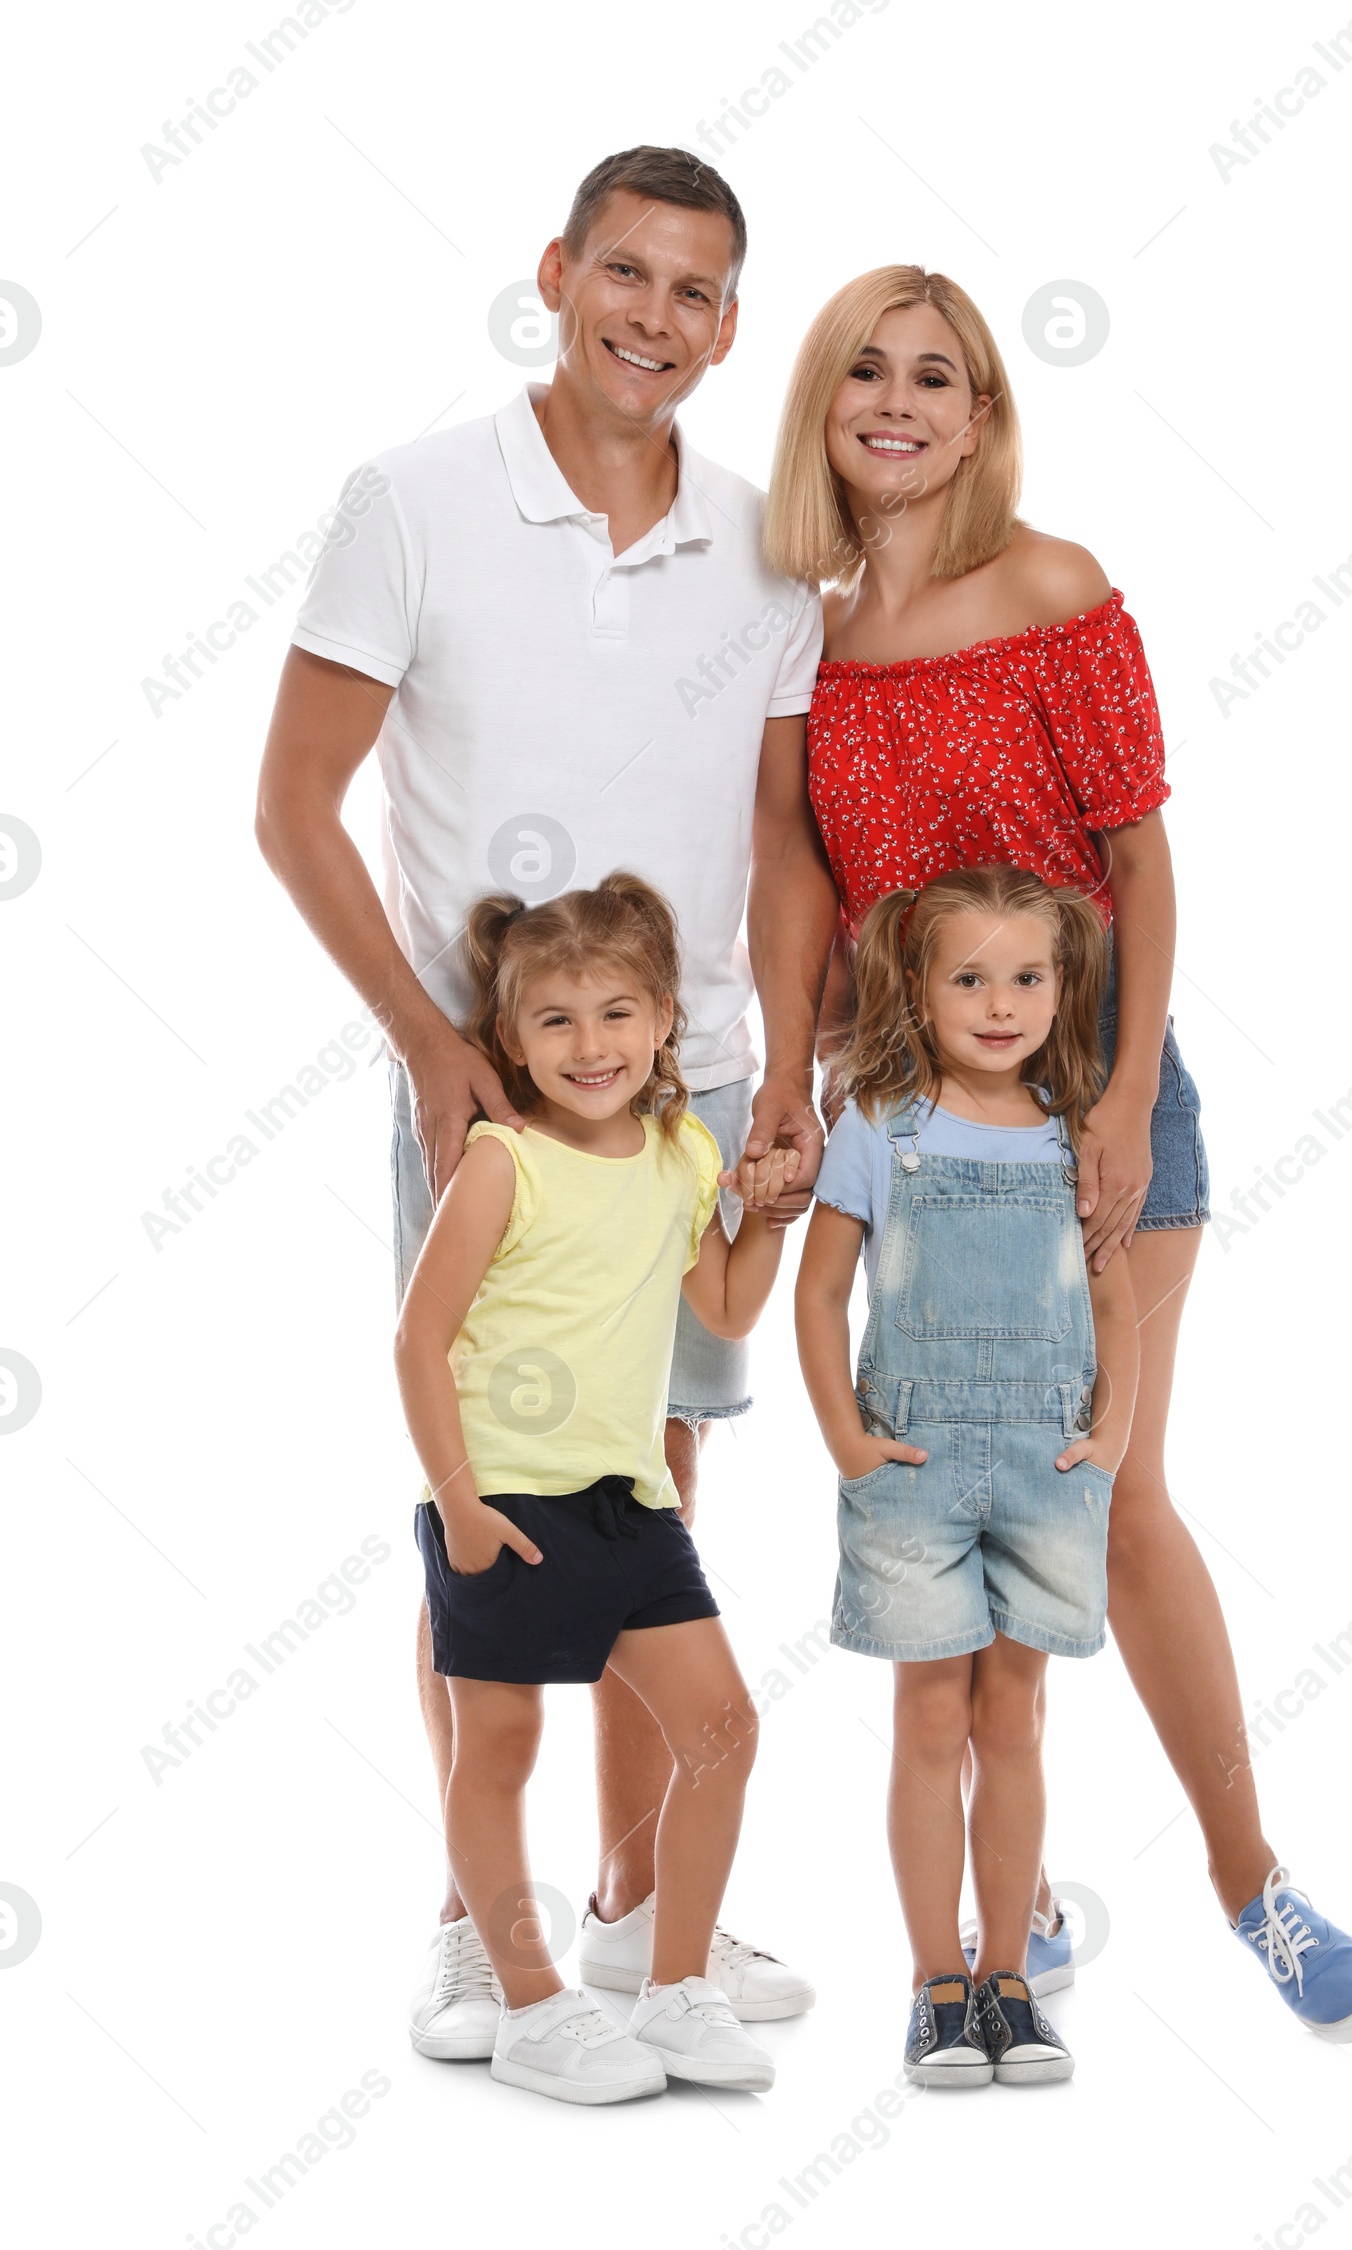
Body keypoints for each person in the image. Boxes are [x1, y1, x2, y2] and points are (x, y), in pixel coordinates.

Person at [763, 266, 1352, 2041]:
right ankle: (1001, 1908)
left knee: (1107, 1499)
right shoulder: (802, 641)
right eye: (865, 371)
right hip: (913, 1127)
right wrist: (796, 1066)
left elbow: (1145, 859)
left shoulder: (1052, 586)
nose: (898, 400)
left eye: (937, 376)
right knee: (948, 1483)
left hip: (1096, 1104)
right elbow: (808, 875)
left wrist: (1117, 1105)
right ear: (823, 402)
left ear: (981, 415)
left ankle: (1249, 1882)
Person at [256, 147, 836, 2057]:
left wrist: (785, 1075)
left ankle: (635, 1907)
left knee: (649, 1486)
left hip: (699, 1084)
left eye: (694, 292)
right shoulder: (413, 501)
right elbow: (293, 807)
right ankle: (466, 1908)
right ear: (556, 274)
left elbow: (777, 839)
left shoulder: (767, 546)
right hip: (485, 1099)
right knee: (485, 1496)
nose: (653, 318)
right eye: (626, 274)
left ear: (730, 326)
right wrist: (437, 1052)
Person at [397, 872, 799, 2102]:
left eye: (617, 1013)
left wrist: (769, 1213)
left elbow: (722, 1308)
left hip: (631, 1504)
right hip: (508, 1503)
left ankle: (674, 1993)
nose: (591, 1046)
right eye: (557, 1021)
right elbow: (419, 1342)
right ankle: (528, 2005)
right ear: (510, 1039)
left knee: (723, 1732)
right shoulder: (499, 1162)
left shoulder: (682, 1156)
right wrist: (459, 1505)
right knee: (501, 1747)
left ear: (666, 1019)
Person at [794, 865, 1137, 2084]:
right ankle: (936, 1981)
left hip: (1047, 1464)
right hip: (916, 1461)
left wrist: (1114, 1434)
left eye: (1027, 977)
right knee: (931, 1719)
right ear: (918, 986)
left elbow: (1114, 1296)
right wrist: (843, 1434)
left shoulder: (1070, 1126)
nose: (1001, 1003)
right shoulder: (877, 1126)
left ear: (1062, 987)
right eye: (970, 978)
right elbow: (822, 1290)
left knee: (1016, 1722)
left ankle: (1011, 1978)